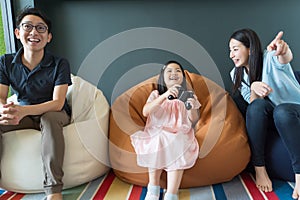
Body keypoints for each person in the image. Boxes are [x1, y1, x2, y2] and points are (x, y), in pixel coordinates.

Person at [0, 7, 72, 200]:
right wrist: (4, 109)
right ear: (17, 33)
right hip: (24, 112)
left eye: (41, 28)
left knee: (48, 119)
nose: (34, 32)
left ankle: (54, 190)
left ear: (49, 37)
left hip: (53, 112)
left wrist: (24, 110)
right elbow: (1, 95)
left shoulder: (60, 63)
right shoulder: (5, 62)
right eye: (28, 27)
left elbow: (57, 103)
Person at [229, 28, 300, 199]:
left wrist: (282, 50)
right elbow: (254, 108)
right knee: (257, 107)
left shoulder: (270, 57)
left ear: (250, 49)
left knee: (282, 111)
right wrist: (253, 87)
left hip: (294, 112)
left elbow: (284, 58)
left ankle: (299, 176)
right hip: (274, 118)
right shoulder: (235, 74)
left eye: (235, 49)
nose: (231, 55)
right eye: (230, 50)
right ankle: (259, 168)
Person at [130, 60, 201, 200]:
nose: (174, 73)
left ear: (183, 78)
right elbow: (146, 111)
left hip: (180, 132)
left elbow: (193, 120)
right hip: (158, 131)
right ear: (163, 77)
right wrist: (165, 95)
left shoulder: (189, 95)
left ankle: (171, 194)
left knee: (177, 141)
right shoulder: (156, 94)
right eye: (169, 71)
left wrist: (192, 107)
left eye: (178, 71)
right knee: (159, 138)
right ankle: (153, 188)